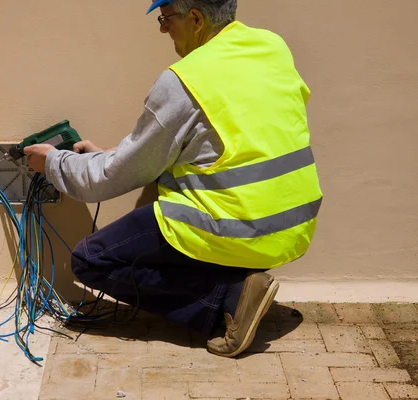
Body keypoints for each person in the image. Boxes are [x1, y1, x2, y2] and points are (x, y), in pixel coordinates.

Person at [24, 0, 322, 358]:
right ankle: (238, 285)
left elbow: (104, 182)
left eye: (166, 18)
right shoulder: (271, 47)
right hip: (293, 226)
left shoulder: (184, 81)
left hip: (241, 227)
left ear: (195, 18)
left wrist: (54, 162)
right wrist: (112, 156)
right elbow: (229, 145)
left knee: (91, 260)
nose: (164, 29)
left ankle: (228, 298)